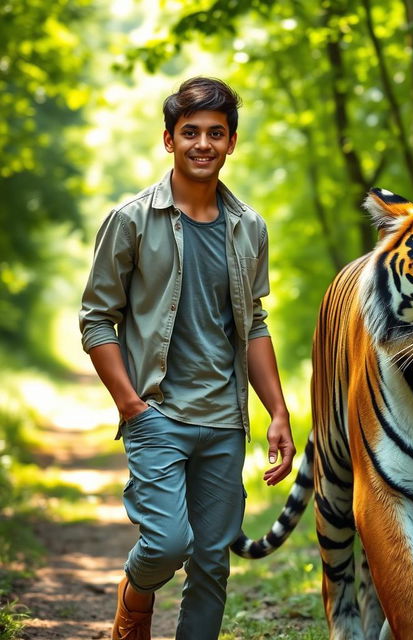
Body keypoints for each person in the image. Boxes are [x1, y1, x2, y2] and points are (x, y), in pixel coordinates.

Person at [79, 77, 295, 640]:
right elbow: (97, 318)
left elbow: (255, 323)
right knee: (168, 544)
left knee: (212, 560)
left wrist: (277, 411)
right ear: (169, 140)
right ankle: (135, 592)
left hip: (224, 419)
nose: (204, 143)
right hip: (157, 413)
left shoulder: (250, 228)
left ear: (232, 143)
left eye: (216, 134)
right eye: (191, 132)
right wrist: (130, 405)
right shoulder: (131, 220)